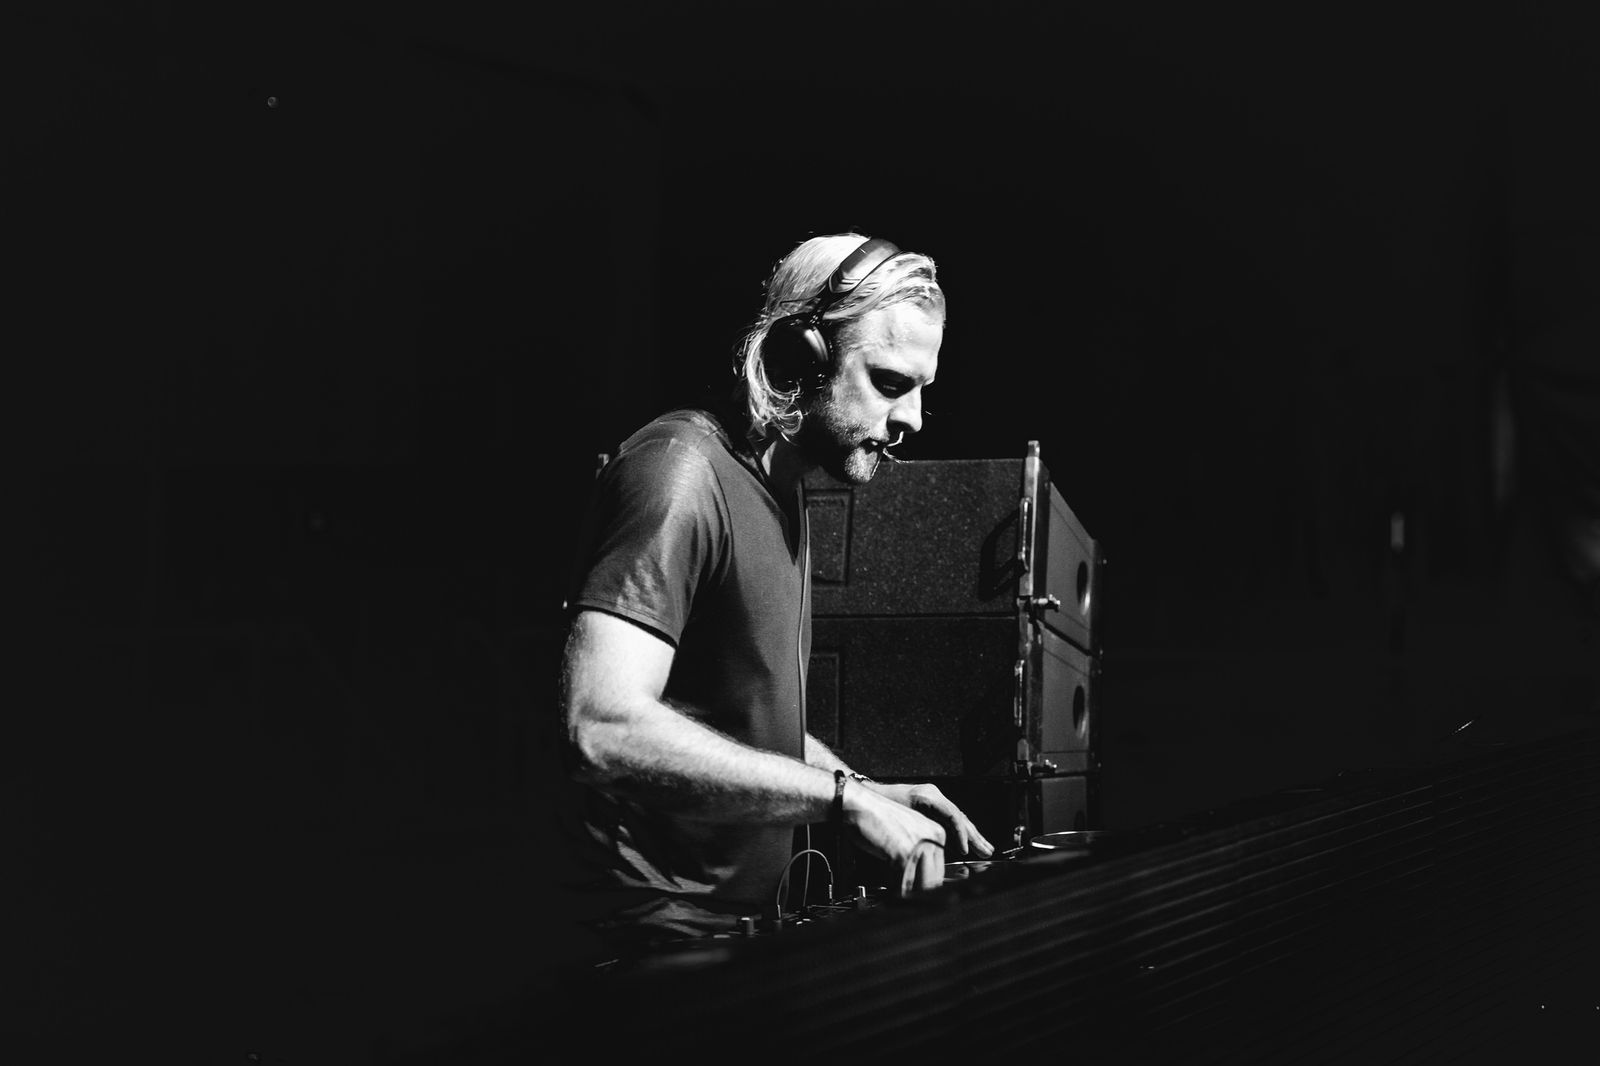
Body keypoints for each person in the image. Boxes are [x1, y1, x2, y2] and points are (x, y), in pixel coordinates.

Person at [553, 232, 994, 961]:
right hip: (646, 943)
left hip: (727, 931)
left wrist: (863, 788)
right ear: (798, 359)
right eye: (889, 383)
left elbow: (733, 720)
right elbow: (600, 726)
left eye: (923, 389)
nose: (913, 419)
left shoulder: (782, 492)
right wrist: (843, 802)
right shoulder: (680, 474)